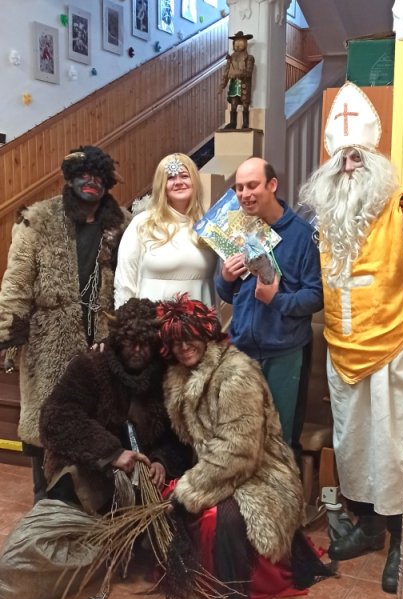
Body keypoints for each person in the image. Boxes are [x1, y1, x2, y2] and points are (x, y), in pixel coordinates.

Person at [299, 82, 403, 593]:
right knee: (354, 446)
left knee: (396, 450)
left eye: (358, 156)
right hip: (344, 352)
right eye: (341, 157)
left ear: (375, 159)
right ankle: (367, 528)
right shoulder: (327, 218)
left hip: (396, 348)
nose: (349, 165)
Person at [0, 298, 190, 599]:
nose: (138, 349)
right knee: (30, 551)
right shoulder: (90, 366)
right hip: (81, 483)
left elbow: (177, 438)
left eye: (145, 342)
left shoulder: (165, 379)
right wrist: (112, 453)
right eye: (130, 341)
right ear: (117, 338)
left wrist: (161, 461)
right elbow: (55, 418)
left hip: (127, 504)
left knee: (97, 557)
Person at [155, 294, 332, 599]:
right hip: (217, 467)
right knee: (174, 506)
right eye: (175, 342)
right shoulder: (178, 377)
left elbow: (238, 451)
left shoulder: (236, 373)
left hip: (259, 470)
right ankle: (192, 586)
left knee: (227, 518)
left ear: (206, 334)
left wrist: (190, 487)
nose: (183, 347)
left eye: (189, 338)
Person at [0, 145, 130, 503]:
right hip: (48, 342)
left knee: (91, 425)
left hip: (99, 345)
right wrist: (7, 333)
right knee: (46, 424)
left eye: (98, 176)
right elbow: (17, 283)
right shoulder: (38, 220)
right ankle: (45, 506)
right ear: (69, 178)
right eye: (83, 174)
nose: (91, 181)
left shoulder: (122, 225)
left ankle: (85, 508)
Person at [215, 157, 323, 449]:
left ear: (272, 185)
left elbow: (315, 296)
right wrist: (225, 277)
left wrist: (277, 300)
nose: (244, 194)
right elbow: (226, 292)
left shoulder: (302, 236)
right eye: (239, 188)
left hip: (285, 352)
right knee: (240, 439)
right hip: (242, 351)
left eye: (252, 186)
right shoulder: (237, 229)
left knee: (279, 442)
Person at [114, 152, 216, 308]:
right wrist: (125, 319)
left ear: (195, 181)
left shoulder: (209, 227)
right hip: (152, 319)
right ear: (161, 185)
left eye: (184, 176)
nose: (178, 182)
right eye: (171, 178)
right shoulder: (143, 223)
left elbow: (223, 279)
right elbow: (125, 281)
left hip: (200, 319)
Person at [218, 31, 255, 130]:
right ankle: (232, 123)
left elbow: (248, 73)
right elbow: (226, 72)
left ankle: (245, 123)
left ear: (245, 43)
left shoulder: (249, 58)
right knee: (233, 104)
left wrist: (237, 73)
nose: (238, 45)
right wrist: (222, 85)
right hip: (234, 84)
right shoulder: (231, 58)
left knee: (245, 104)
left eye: (240, 42)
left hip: (244, 84)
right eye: (236, 42)